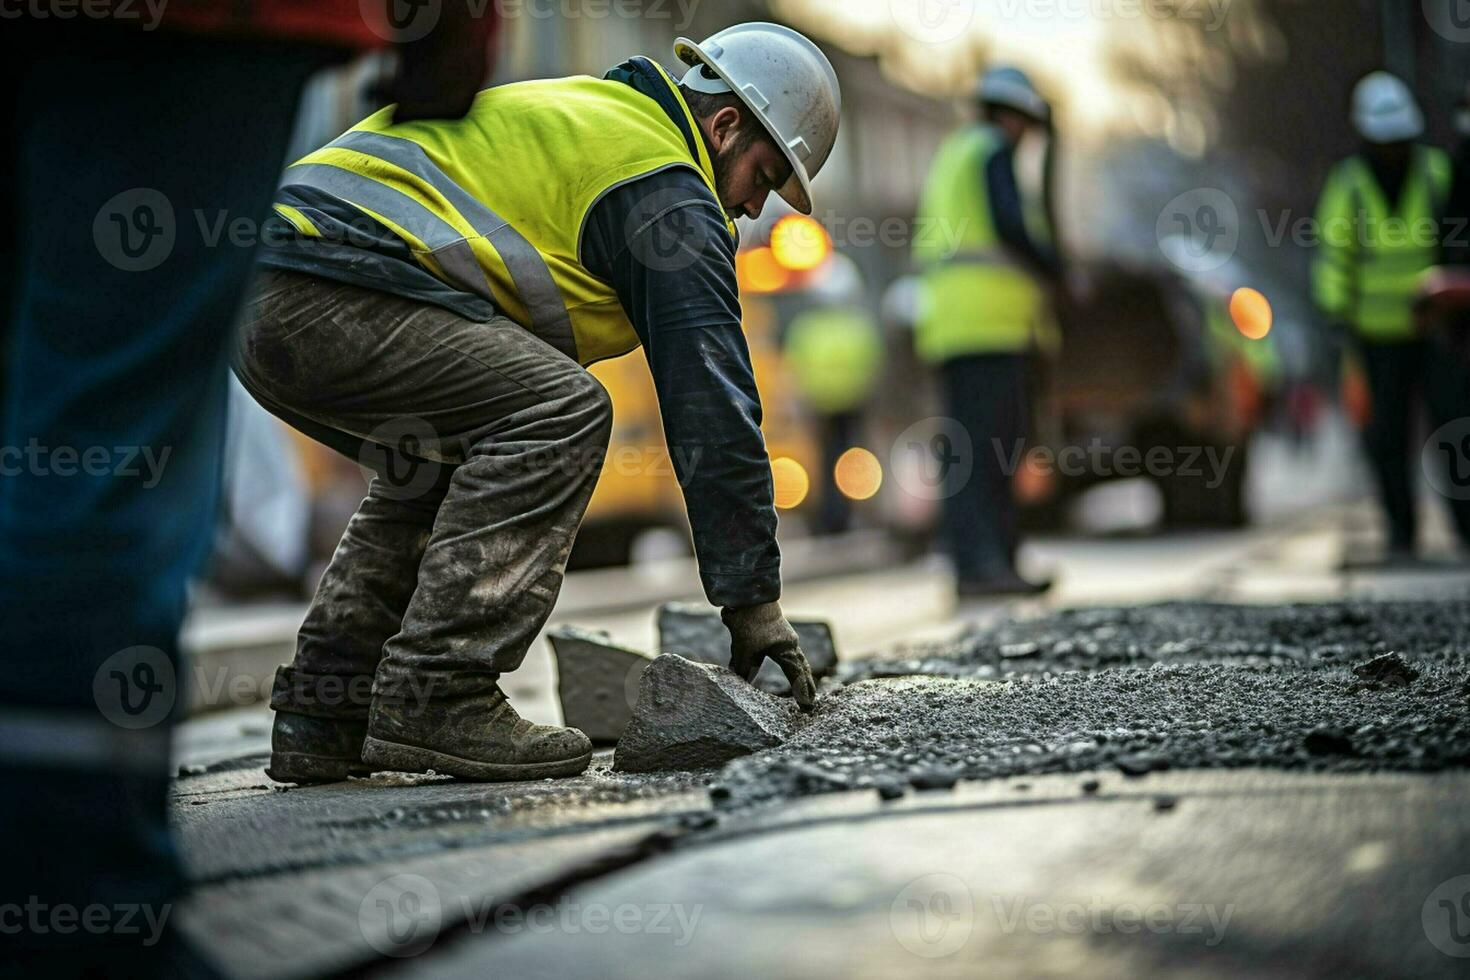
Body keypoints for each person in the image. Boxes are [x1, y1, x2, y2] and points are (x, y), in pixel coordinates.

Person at [0, 5, 501, 974]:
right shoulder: (657, 182)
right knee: (104, 434)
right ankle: (77, 903)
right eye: (767, 176)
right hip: (201, 28)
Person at [238, 23, 840, 786]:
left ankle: (327, 710)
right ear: (723, 126)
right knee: (564, 411)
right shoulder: (665, 187)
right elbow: (713, 404)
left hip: (269, 293)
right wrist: (753, 601)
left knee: (439, 464)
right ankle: (442, 694)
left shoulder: (602, 126)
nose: (755, 209)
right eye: (762, 176)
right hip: (331, 282)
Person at [912, 66, 1061, 598]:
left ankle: (980, 562)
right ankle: (986, 565)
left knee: (970, 450)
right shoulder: (991, 150)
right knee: (994, 447)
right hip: (988, 325)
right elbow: (1010, 226)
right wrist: (1057, 269)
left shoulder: (957, 152)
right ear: (1013, 116)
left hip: (954, 325)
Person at [1311, 71, 1470, 558]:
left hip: (1436, 327)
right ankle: (1402, 532)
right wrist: (1337, 314)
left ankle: (1466, 527)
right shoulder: (1350, 184)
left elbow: (1457, 236)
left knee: (1453, 427)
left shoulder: (1437, 170)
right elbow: (1334, 252)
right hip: (1375, 336)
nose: (1394, 149)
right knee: (1386, 437)